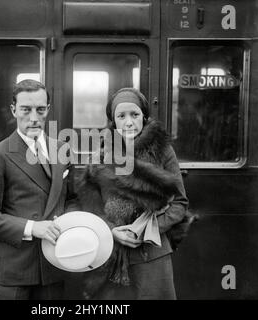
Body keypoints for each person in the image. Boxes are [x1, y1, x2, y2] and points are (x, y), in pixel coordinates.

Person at [77, 87, 192, 300]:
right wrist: (111, 231)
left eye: (135, 115)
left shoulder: (163, 150)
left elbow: (180, 203)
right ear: (113, 121)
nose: (129, 122)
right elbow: (89, 207)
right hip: (110, 253)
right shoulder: (100, 155)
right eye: (121, 116)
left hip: (152, 254)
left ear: (144, 116)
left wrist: (144, 231)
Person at [0, 79, 79, 300]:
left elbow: (72, 199)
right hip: (13, 275)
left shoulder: (62, 149)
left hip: (53, 267)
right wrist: (33, 228)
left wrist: (66, 221)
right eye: (25, 110)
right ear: (13, 110)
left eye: (40, 110)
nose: (33, 118)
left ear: (48, 110)